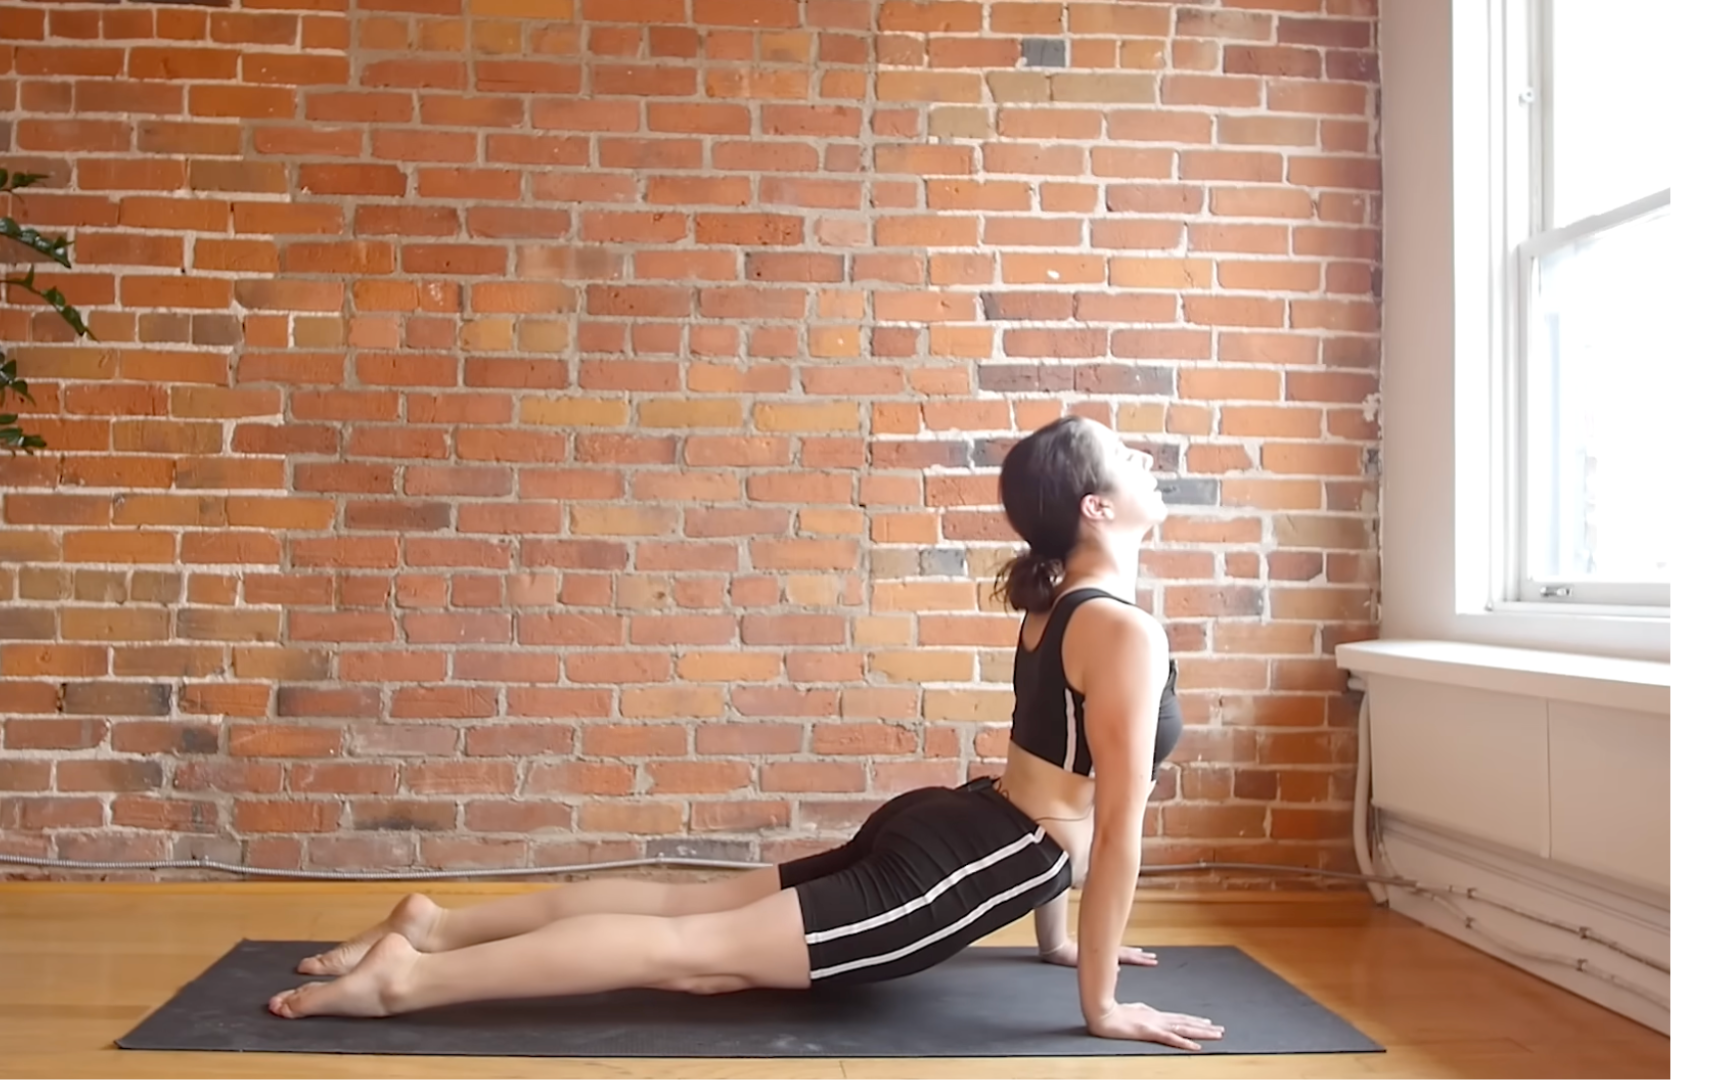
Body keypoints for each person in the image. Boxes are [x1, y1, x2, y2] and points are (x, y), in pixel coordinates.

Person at [267, 415, 1224, 1052]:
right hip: (971, 853)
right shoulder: (1125, 629)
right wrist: (1098, 1005)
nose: (1147, 462)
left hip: (962, 821)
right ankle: (404, 981)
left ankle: (436, 926)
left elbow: (1053, 772)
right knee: (688, 954)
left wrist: (1055, 941)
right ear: (1096, 508)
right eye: (1126, 458)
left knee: (691, 917)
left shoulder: (1065, 607)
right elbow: (1112, 827)